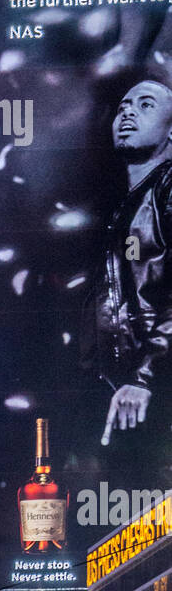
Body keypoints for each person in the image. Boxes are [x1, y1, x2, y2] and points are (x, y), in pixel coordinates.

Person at [82, 76, 172, 449]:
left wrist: (145, 376)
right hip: (126, 396)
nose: (128, 112)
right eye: (122, 107)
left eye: (145, 105)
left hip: (151, 395)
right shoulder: (130, 202)